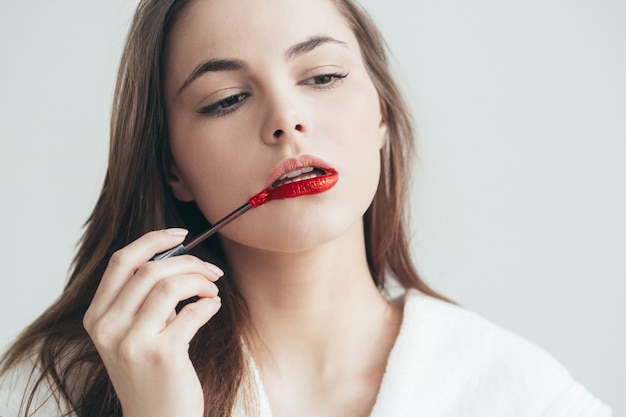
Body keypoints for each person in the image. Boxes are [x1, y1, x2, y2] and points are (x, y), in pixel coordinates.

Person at [0, 0, 612, 416]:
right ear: (171, 167)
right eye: (226, 99)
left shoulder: (525, 396)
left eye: (321, 77)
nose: (286, 119)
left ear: (381, 114)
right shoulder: (57, 390)